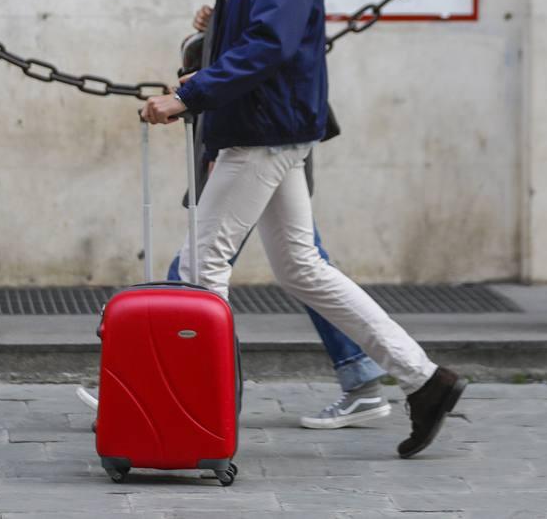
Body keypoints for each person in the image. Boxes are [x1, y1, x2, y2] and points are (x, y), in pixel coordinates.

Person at [139, 0, 467, 459]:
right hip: (271, 124)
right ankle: (424, 379)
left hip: (263, 130)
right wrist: (216, 23)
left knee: (200, 269)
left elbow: (271, 43)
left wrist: (191, 94)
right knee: (301, 267)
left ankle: (200, 418)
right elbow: (261, 32)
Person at [78, 26, 394, 431]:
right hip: (264, 140)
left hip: (258, 142)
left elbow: (256, 61)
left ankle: (162, 391)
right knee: (302, 266)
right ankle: (364, 376)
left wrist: (212, 148)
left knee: (193, 275)